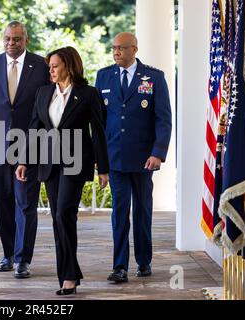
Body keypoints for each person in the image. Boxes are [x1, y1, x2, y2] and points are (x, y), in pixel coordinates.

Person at [16, 47, 109, 295]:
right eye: (49, 67)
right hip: (49, 163)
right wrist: (24, 160)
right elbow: (34, 127)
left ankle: (69, 276)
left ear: (69, 66)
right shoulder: (43, 93)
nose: (51, 70)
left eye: (55, 66)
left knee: (63, 214)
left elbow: (98, 132)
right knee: (59, 218)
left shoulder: (88, 94)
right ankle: (69, 274)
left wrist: (103, 168)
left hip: (76, 162)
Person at [95, 32, 172, 283]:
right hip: (115, 157)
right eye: (114, 48)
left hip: (143, 159)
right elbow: (98, 122)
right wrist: (100, 160)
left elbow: (163, 118)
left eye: (121, 48)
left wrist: (158, 153)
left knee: (142, 211)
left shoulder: (154, 77)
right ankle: (119, 266)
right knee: (119, 212)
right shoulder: (103, 76)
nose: (116, 52)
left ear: (134, 49)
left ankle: (144, 261)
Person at [0, 21, 50, 278]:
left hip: (28, 145)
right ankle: (8, 253)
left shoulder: (42, 66)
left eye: (17, 39)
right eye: (8, 38)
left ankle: (23, 259)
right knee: (1, 204)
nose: (12, 43)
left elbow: (45, 110)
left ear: (26, 40)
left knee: (26, 204)